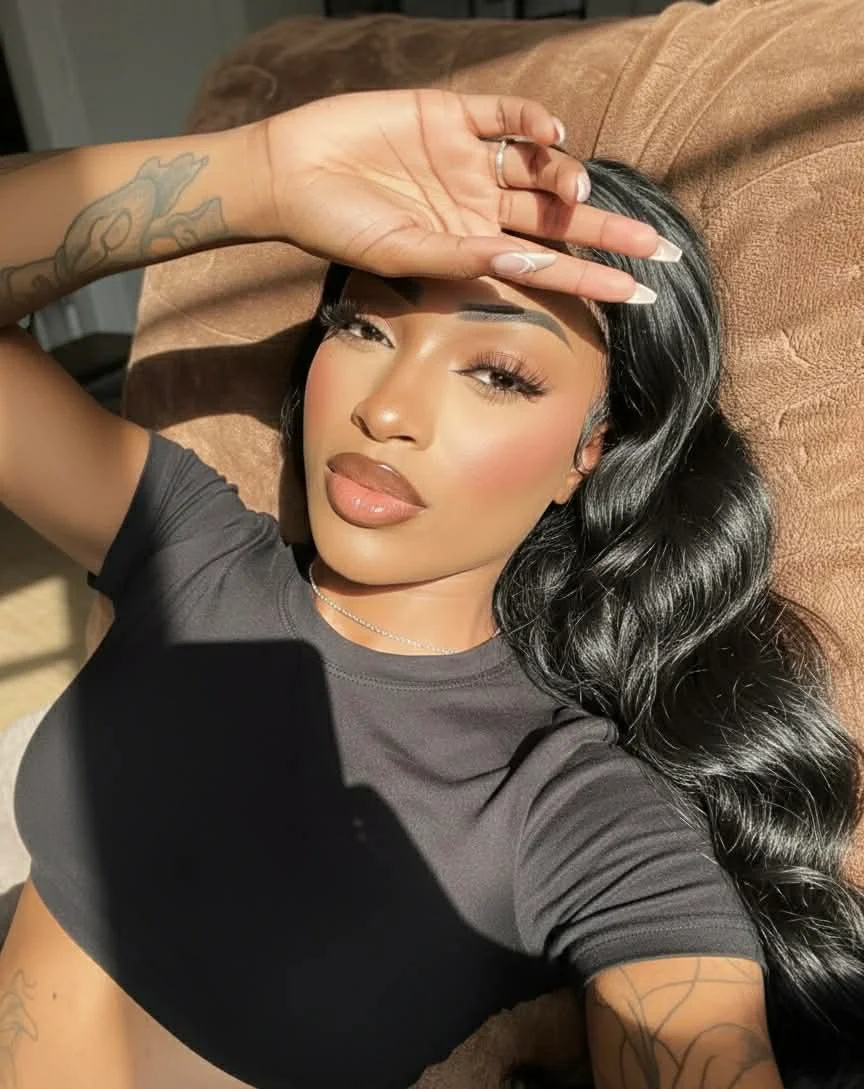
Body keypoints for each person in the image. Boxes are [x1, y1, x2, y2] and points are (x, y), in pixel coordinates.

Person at [0, 87, 861, 1089]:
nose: (389, 410)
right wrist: (261, 177)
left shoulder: (578, 813)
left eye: (497, 372)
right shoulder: (189, 544)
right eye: (364, 327)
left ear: (590, 452)